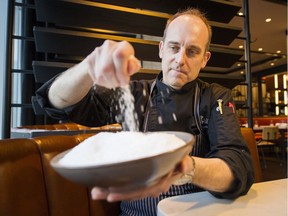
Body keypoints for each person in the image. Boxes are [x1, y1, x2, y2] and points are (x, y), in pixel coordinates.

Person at [36, 8, 254, 216]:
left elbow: (238, 168)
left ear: (205, 59)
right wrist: (88, 67)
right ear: (161, 49)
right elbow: (59, 104)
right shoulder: (134, 94)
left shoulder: (215, 97)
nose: (180, 60)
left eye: (192, 51)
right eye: (174, 47)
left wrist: (185, 168)